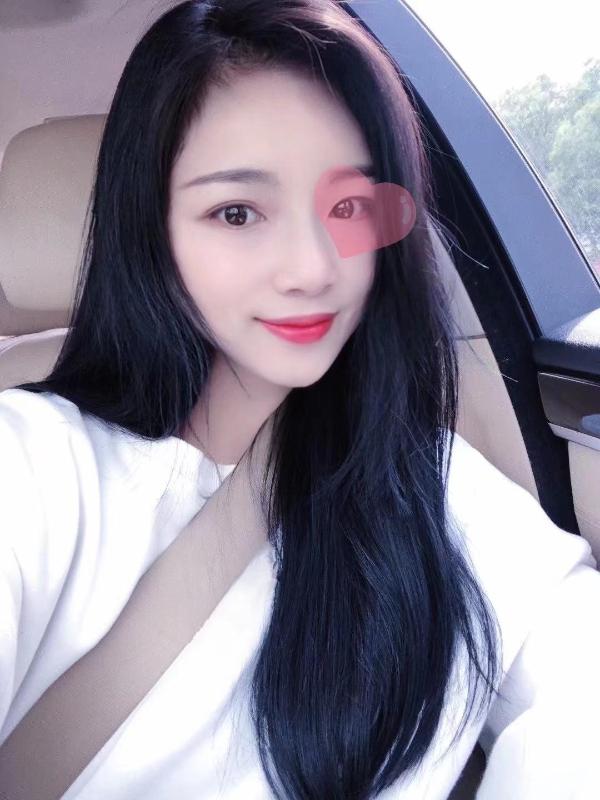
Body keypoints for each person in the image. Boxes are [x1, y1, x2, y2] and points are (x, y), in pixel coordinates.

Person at [0, 0, 599, 797]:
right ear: (150, 229)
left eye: (348, 207)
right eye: (237, 212)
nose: (314, 268)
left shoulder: (433, 482)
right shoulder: (33, 467)